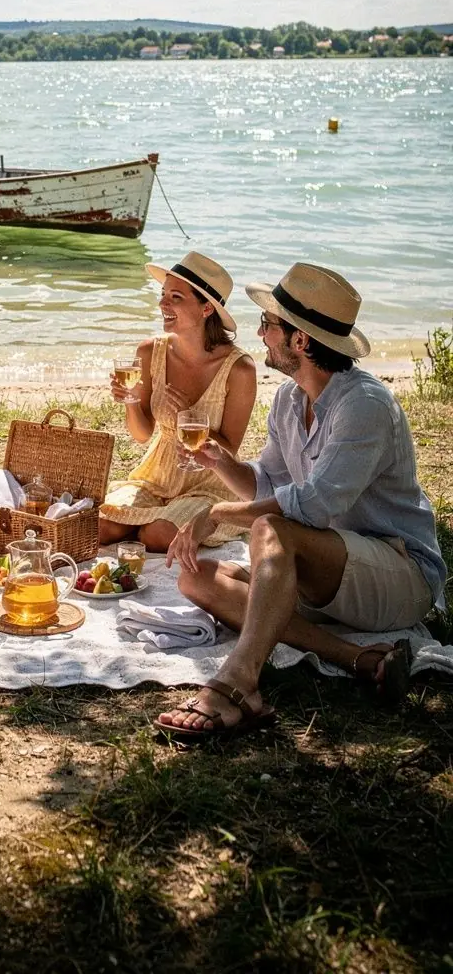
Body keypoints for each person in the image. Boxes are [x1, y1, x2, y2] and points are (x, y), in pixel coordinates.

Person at [157, 262, 447, 742]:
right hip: (331, 572)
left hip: (398, 573)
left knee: (272, 531)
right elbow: (269, 484)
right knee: (196, 577)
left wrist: (216, 513)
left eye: (268, 324)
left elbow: (310, 506)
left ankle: (239, 683)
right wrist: (220, 462)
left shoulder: (365, 405)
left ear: (300, 340)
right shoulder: (290, 400)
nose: (260, 333)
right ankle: (357, 657)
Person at [98, 252, 257, 552]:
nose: (163, 304)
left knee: (157, 535)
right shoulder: (150, 352)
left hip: (208, 483)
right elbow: (142, 434)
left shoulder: (239, 369)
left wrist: (189, 416)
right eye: (163, 295)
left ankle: (151, 525)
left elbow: (229, 449)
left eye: (175, 297)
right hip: (156, 477)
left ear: (206, 308)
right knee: (102, 525)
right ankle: (145, 522)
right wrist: (130, 400)